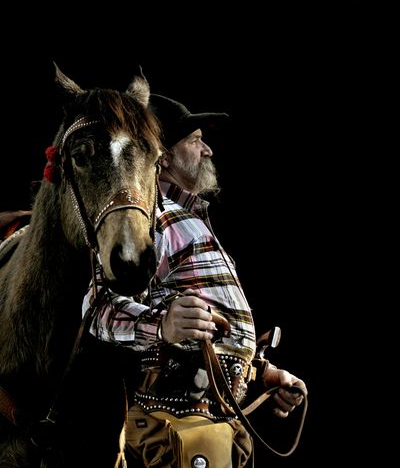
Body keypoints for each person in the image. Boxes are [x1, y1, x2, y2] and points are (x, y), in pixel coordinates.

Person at [82, 94, 307, 467]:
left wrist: (262, 373)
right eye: (195, 140)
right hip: (175, 424)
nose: (207, 150)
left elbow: (214, 334)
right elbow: (95, 308)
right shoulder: (152, 219)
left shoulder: (187, 221)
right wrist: (161, 325)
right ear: (163, 157)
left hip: (210, 422)